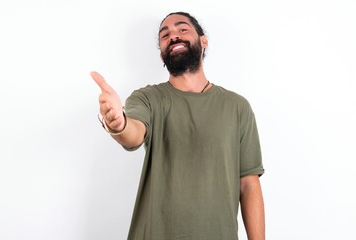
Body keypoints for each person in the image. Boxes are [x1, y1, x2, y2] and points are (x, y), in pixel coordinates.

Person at [91, 11, 265, 240]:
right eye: (165, 35)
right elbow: (133, 134)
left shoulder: (237, 107)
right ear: (162, 56)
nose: (173, 36)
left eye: (182, 29)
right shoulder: (148, 98)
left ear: (203, 42)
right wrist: (118, 123)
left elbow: (248, 185)